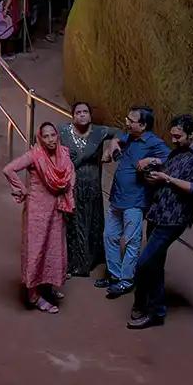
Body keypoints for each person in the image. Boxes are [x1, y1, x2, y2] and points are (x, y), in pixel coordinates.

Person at [130, 114, 193, 328]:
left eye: (178, 136)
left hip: (174, 218)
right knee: (156, 263)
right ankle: (153, 309)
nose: (174, 140)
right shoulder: (178, 152)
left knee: (145, 262)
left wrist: (166, 179)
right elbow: (167, 169)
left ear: (192, 134)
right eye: (172, 136)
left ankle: (146, 306)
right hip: (158, 211)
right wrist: (156, 171)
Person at [3, 122, 75, 313]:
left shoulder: (63, 153)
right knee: (36, 250)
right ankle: (34, 295)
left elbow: (70, 175)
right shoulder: (34, 155)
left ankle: (47, 285)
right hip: (37, 211)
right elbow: (8, 169)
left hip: (56, 209)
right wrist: (21, 189)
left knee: (53, 247)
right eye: (46, 136)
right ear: (40, 138)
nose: (51, 140)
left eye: (53, 135)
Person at [99, 106, 168, 298]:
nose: (127, 122)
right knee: (110, 236)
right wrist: (113, 145)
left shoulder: (153, 142)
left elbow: (171, 158)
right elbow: (116, 138)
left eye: (131, 120)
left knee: (131, 241)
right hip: (117, 197)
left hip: (135, 201)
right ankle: (114, 276)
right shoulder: (129, 136)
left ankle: (126, 280)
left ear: (143, 125)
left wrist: (151, 160)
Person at [62, 103, 116, 277]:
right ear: (73, 116)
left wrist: (113, 143)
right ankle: (76, 262)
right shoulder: (63, 131)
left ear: (90, 115)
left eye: (85, 112)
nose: (82, 115)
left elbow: (122, 133)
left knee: (92, 220)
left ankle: (92, 257)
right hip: (72, 184)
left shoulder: (99, 132)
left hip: (92, 185)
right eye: (78, 112)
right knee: (74, 223)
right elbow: (42, 137)